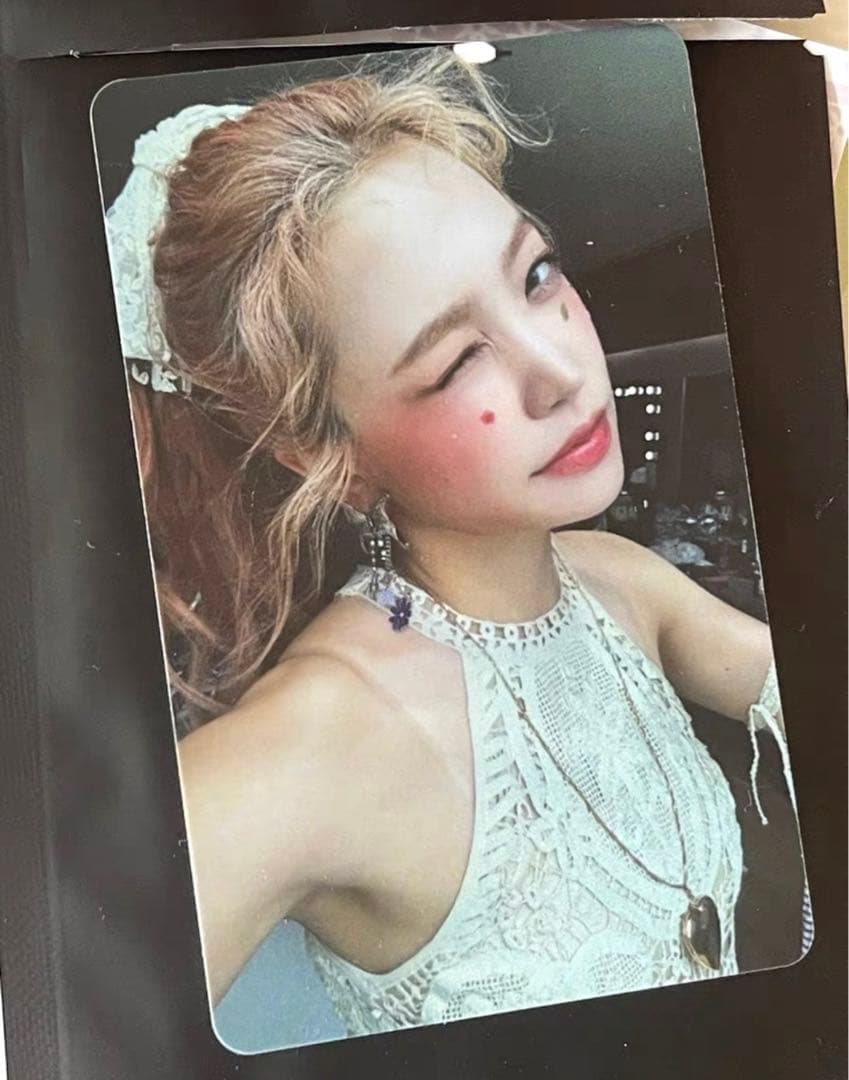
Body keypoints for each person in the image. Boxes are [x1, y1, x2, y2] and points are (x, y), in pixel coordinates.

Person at [104, 49, 803, 1037]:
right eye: (456, 360)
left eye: (537, 275)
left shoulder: (619, 579)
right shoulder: (314, 739)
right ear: (329, 457)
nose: (561, 369)